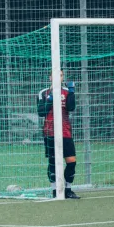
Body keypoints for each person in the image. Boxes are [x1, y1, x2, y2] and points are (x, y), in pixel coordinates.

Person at [37, 69, 80, 199]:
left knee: (71, 161)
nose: (59, 77)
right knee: (53, 162)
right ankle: (55, 190)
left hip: (65, 131)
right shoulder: (43, 93)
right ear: (50, 77)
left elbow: (71, 107)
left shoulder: (66, 92)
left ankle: (68, 189)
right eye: (56, 75)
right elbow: (41, 112)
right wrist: (50, 98)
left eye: (61, 75)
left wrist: (72, 92)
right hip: (50, 131)